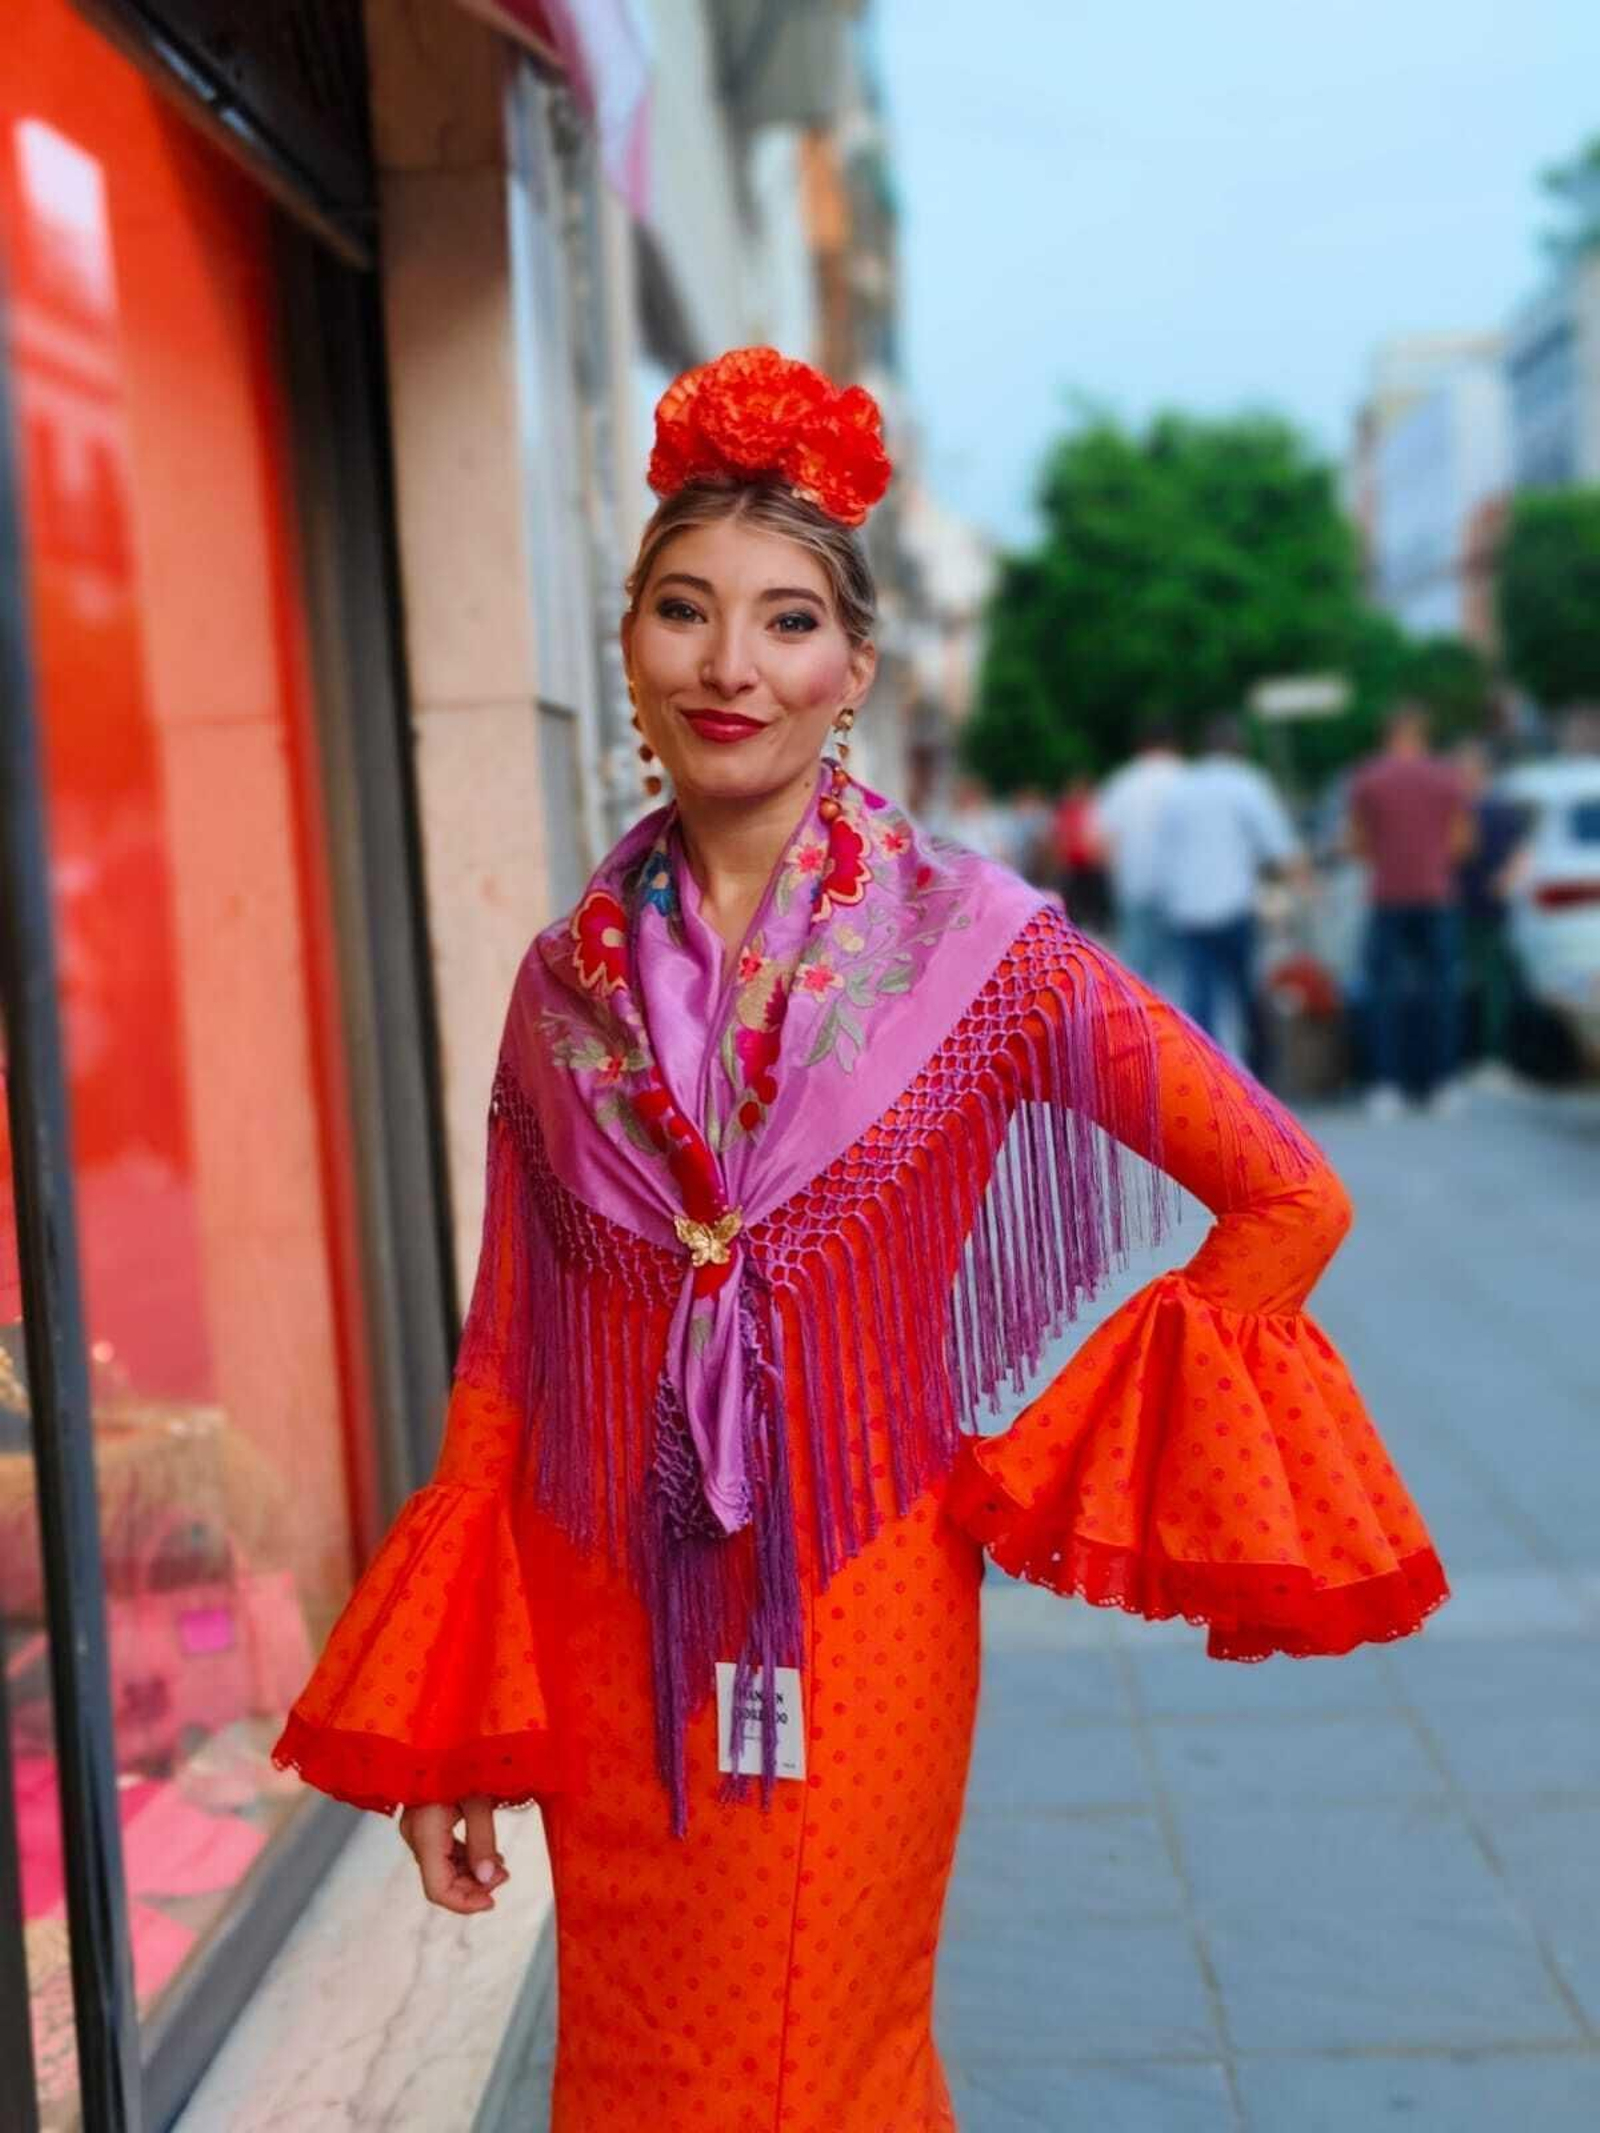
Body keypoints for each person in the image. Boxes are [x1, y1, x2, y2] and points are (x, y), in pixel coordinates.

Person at [271, 349, 1446, 2131]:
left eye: (787, 619)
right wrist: (452, 1715)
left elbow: (1291, 1189)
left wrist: (1061, 1454)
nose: (730, 663)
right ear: (630, 654)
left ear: (854, 671)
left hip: (860, 1603)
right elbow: (507, 1350)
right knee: (635, 2068)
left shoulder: (988, 954)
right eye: (685, 610)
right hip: (607, 1625)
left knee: (821, 2057)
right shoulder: (560, 989)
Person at [1158, 713, 1302, 1076]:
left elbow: (1167, 846)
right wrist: (1303, 879)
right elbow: (1277, 845)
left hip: (1188, 906)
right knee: (1247, 992)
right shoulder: (1246, 783)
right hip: (1233, 905)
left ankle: (1205, 1076)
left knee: (1199, 999)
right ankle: (1261, 1075)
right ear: (1238, 748)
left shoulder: (1183, 786)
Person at [1348, 704, 1473, 1117]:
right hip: (1437, 894)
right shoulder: (1447, 778)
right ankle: (1442, 1082)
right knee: (1442, 990)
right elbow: (1463, 843)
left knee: (1383, 992)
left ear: (1388, 736)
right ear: (1423, 736)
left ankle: (1387, 1085)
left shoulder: (1368, 778)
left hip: (1387, 895)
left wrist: (1387, 857)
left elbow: (1356, 842)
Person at [1452, 738, 1524, 1080]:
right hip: (1459, 906)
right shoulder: (1460, 810)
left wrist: (1505, 883)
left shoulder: (1497, 809)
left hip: (1487, 907)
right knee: (1473, 983)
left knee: (1492, 983)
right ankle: (1474, 1054)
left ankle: (1493, 1055)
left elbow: (1518, 854)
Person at [1095, 719, 1184, 981]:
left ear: (1141, 746)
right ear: (1174, 744)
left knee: (1137, 972)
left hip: (1133, 885)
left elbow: (1099, 842)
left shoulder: (1121, 782)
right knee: (1179, 971)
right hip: (1178, 890)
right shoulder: (1186, 777)